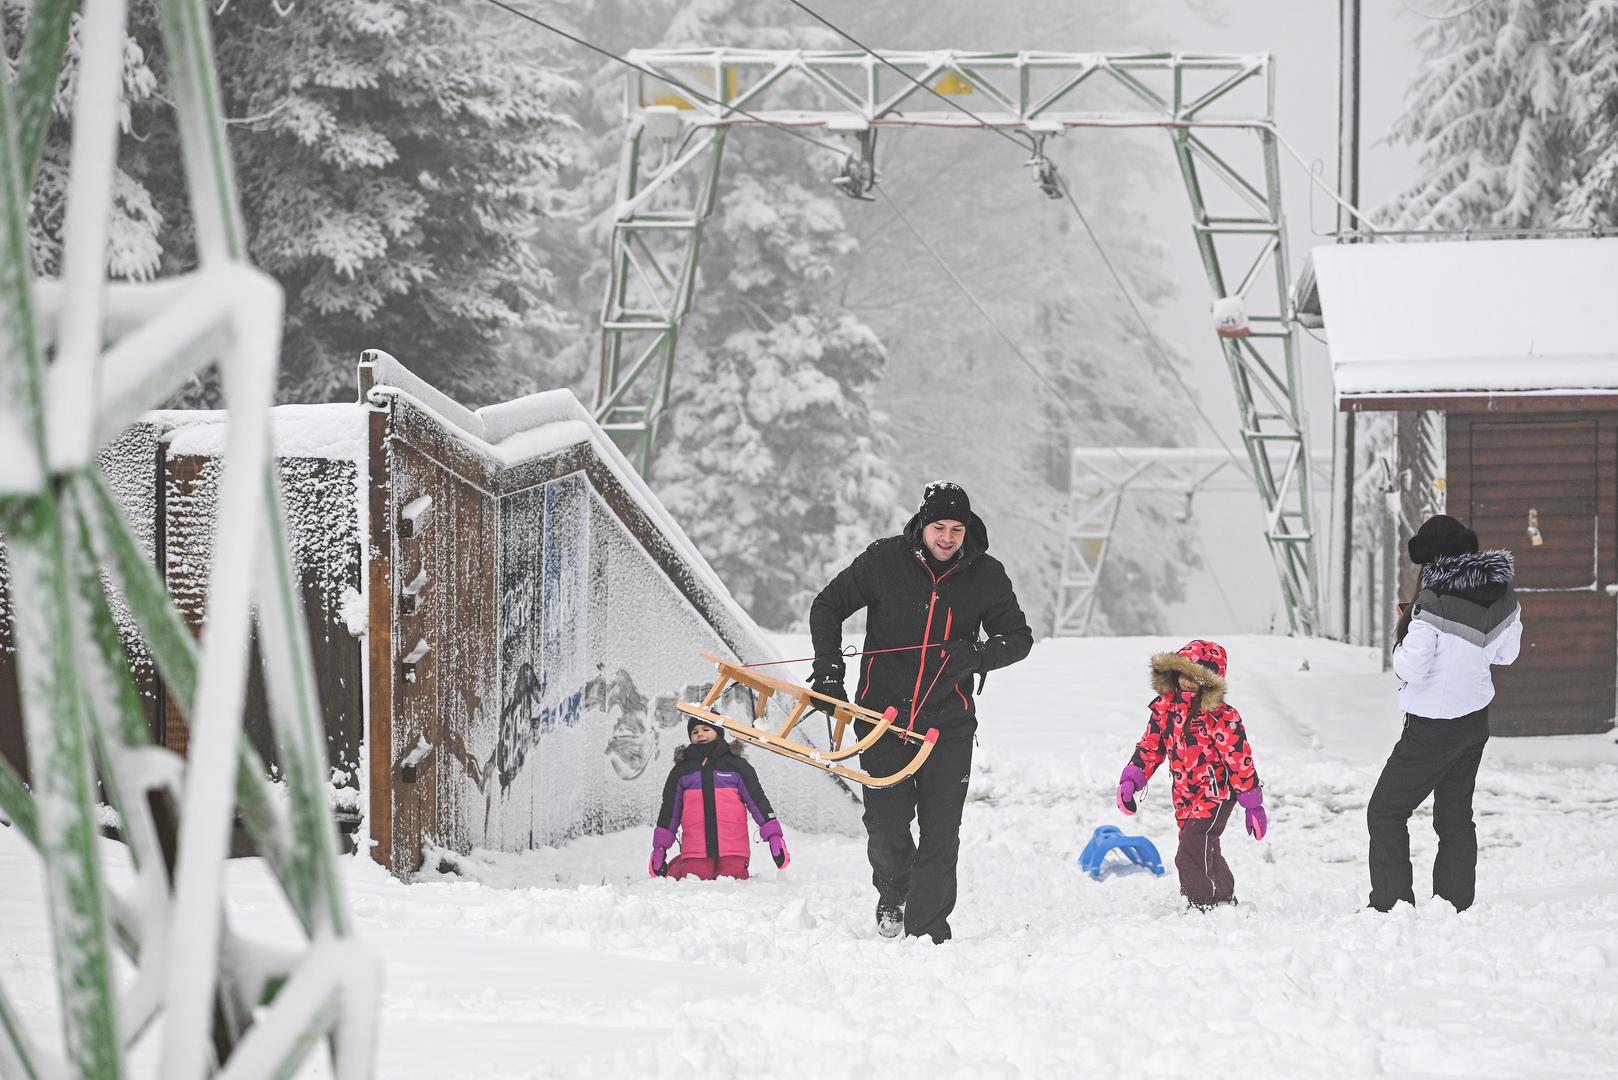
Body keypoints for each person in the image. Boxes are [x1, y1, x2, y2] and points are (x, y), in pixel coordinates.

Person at [809, 481, 1032, 942]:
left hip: (948, 723)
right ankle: (893, 891)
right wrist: (829, 672)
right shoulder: (884, 560)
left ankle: (928, 932)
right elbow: (827, 606)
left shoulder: (987, 575)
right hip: (882, 719)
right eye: (938, 527)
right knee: (887, 827)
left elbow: (1018, 638)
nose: (947, 538)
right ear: (922, 525)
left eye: (956, 528)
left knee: (941, 833)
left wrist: (978, 656)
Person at [1368, 514, 1521, 913]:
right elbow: (1506, 655)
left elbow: (1412, 668)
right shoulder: (1504, 595)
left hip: (1432, 726)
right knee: (1455, 815)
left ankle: (1391, 902)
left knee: (1385, 811)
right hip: (1473, 722)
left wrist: (1401, 643)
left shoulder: (1432, 600)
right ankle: (1454, 902)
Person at [1116, 639, 1266, 910]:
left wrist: (1252, 803)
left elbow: (1238, 759)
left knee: (1190, 849)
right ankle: (1222, 897)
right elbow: (1151, 746)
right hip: (1185, 793)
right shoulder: (1165, 709)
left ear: (1210, 682)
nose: (1187, 682)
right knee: (1204, 846)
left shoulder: (1221, 716)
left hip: (1216, 792)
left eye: (1195, 678)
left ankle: (1201, 903)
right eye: (1184, 674)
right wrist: (1132, 778)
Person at [648, 716, 789, 881]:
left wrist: (774, 837)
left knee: (732, 881)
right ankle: (678, 865)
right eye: (695, 732)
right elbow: (669, 810)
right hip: (696, 849)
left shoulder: (737, 766)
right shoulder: (682, 771)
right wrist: (659, 848)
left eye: (706, 729)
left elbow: (757, 801)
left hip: (733, 848)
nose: (700, 734)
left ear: (718, 732)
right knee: (695, 880)